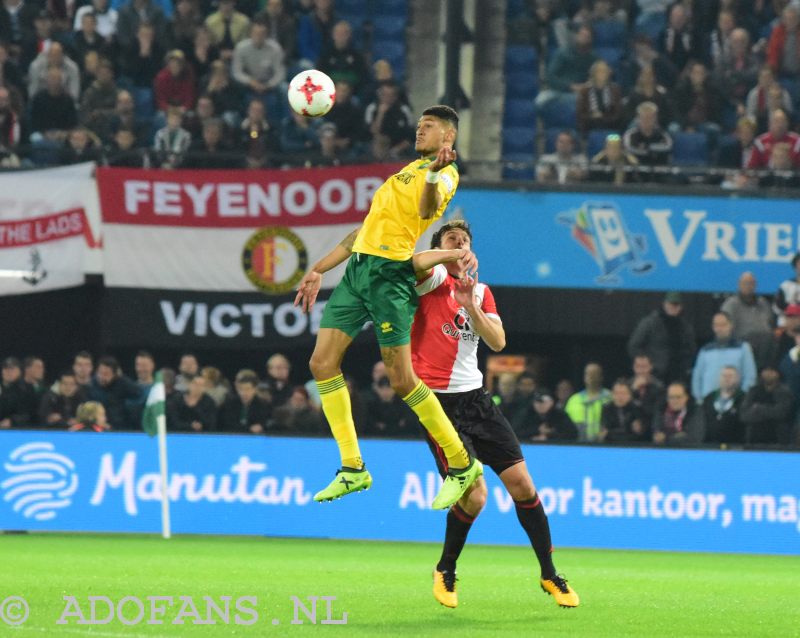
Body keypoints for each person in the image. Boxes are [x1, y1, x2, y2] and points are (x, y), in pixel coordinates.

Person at [293, 104, 483, 509]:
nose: (419, 131)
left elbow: (428, 211)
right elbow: (363, 230)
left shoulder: (445, 174)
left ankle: (462, 463)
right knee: (321, 364)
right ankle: (352, 468)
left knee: (401, 379)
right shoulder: (405, 172)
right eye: (418, 125)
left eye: (428, 127)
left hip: (390, 277)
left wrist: (433, 172)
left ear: (447, 137)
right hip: (358, 271)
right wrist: (318, 269)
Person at [409, 219, 578, 609]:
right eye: (452, 239)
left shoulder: (481, 292)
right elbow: (416, 261)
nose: (461, 244)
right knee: (476, 496)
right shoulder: (431, 279)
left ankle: (549, 574)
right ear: (441, 247)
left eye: (465, 240)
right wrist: (451, 255)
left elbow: (498, 342)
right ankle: (445, 569)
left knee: (523, 485)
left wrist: (471, 306)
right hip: (437, 405)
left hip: (477, 401)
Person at [627, 291, 696, 383]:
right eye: (671, 304)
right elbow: (634, 346)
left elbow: (691, 350)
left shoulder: (685, 327)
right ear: (664, 304)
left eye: (676, 304)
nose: (673, 307)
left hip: (678, 376)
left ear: (681, 307)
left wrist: (685, 367)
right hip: (654, 375)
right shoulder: (650, 323)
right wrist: (647, 365)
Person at [691, 311, 757, 403]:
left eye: (723, 325)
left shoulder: (743, 348)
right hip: (708, 403)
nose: (719, 328)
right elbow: (697, 377)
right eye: (716, 325)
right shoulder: (705, 350)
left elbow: (750, 377)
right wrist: (699, 399)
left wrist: (742, 399)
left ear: (730, 325)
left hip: (735, 403)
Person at [740, 367, 794, 445]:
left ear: (777, 374)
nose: (768, 374)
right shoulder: (753, 391)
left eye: (771, 371)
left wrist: (758, 408)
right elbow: (744, 415)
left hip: (778, 441)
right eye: (766, 370)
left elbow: (781, 413)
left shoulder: (784, 392)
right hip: (753, 440)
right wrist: (770, 410)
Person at [564, 362, 611, 442]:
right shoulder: (574, 400)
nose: (590, 376)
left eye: (594, 374)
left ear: (601, 377)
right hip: (577, 445)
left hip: (604, 445)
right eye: (587, 373)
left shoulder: (609, 398)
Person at [513, 388, 578, 443]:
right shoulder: (526, 414)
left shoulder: (559, 415)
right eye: (536, 402)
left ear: (551, 402)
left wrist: (550, 435)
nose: (539, 405)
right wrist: (536, 430)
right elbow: (514, 432)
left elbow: (572, 433)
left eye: (543, 402)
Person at [702, 365, 746, 444]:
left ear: (737, 379)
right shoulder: (709, 398)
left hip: (735, 446)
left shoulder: (743, 398)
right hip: (709, 445)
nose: (727, 379)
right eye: (724, 376)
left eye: (730, 376)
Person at [652, 381, 704, 446]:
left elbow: (694, 437)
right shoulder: (661, 409)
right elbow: (657, 435)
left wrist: (666, 438)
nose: (675, 401)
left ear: (686, 397)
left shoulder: (694, 410)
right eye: (671, 397)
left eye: (678, 397)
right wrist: (678, 436)